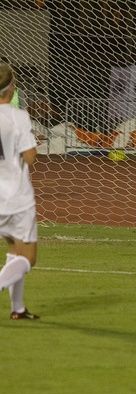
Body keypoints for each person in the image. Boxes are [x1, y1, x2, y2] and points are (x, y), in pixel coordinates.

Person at [0, 63, 39, 320]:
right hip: (17, 198)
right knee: (28, 258)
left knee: (14, 250)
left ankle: (18, 308)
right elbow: (31, 156)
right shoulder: (18, 116)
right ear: (11, 87)